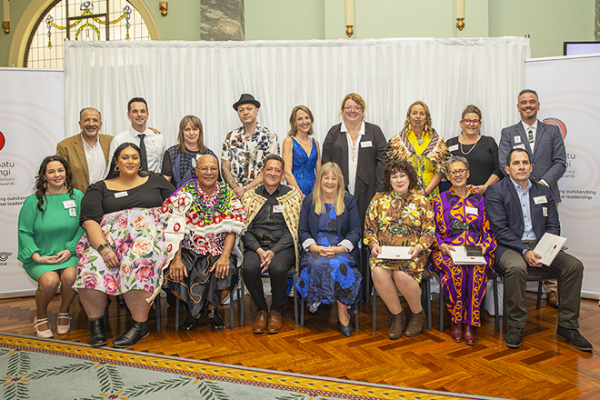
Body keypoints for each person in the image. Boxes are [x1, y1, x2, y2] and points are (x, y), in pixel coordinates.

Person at [486, 149, 592, 352]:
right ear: (508, 169)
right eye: (516, 163)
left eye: (525, 162)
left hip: (540, 245)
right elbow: (499, 229)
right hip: (509, 246)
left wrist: (547, 250)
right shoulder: (496, 191)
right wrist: (523, 251)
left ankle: (568, 326)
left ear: (531, 167)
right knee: (516, 268)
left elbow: (554, 225)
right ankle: (516, 325)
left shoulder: (544, 191)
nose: (521, 166)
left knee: (574, 266)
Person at [74, 143, 175, 348]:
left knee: (136, 262)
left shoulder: (155, 180)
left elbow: (177, 206)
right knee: (91, 265)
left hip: (149, 238)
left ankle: (140, 325)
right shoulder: (99, 187)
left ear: (140, 161)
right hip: (108, 240)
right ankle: (95, 325)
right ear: (116, 162)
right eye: (125, 157)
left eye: (135, 157)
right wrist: (103, 248)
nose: (131, 161)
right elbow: (89, 220)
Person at [498, 89, 567, 309]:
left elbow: (560, 162)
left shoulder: (552, 131)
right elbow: (503, 162)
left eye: (531, 102)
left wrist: (542, 186)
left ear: (538, 105)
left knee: (547, 237)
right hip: (515, 193)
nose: (527, 106)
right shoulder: (509, 132)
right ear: (517, 107)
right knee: (520, 234)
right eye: (523, 103)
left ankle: (552, 290)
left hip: (545, 193)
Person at [163, 154, 247, 332]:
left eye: (213, 168)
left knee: (228, 270)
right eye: (204, 168)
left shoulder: (227, 193)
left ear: (218, 171)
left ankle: (210, 310)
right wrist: (176, 258)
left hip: (219, 249)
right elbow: (174, 227)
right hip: (188, 249)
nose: (209, 172)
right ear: (196, 171)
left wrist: (225, 257)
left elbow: (233, 228)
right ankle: (196, 311)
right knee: (173, 272)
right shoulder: (184, 194)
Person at [364, 160, 435, 339]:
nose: (399, 180)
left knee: (401, 275)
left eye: (402, 175)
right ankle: (397, 315)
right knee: (379, 273)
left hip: (413, 253)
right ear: (389, 180)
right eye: (394, 176)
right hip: (384, 252)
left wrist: (419, 247)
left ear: (410, 178)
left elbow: (429, 231)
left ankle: (418, 314)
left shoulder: (422, 201)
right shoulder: (378, 200)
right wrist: (373, 245)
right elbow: (369, 229)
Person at [430, 156, 496, 345]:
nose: (458, 174)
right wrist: (440, 244)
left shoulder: (480, 199)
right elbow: (430, 230)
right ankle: (456, 320)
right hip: (447, 251)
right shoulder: (438, 200)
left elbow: (488, 229)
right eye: (453, 172)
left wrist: (485, 245)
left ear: (468, 173)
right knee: (455, 270)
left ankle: (471, 322)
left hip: (475, 251)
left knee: (476, 270)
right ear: (448, 177)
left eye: (461, 171)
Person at [17, 156, 84, 338]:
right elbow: (24, 232)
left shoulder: (77, 196)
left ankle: (64, 313)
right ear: (44, 176)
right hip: (41, 256)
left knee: (70, 278)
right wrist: (36, 256)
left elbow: (82, 225)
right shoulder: (33, 202)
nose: (57, 175)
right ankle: (41, 316)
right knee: (50, 282)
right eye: (51, 171)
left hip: (68, 253)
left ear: (66, 173)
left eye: (60, 170)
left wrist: (70, 249)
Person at [295, 162, 362, 336]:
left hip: (341, 248)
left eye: (334, 178)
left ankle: (342, 313)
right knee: (315, 265)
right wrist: (315, 248)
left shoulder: (348, 200)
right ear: (320, 179)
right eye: (326, 177)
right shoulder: (309, 200)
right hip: (315, 247)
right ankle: (316, 297)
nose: (330, 182)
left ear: (339, 181)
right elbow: (302, 230)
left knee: (339, 265)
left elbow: (356, 230)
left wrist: (340, 249)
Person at [241, 154, 302, 334]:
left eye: (277, 170)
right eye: (269, 169)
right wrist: (260, 250)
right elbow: (244, 230)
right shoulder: (249, 197)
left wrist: (273, 251)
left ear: (283, 174)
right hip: (256, 245)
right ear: (262, 171)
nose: (273, 173)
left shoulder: (293, 196)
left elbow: (295, 229)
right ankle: (261, 309)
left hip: (282, 246)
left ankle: (275, 310)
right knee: (249, 267)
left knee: (277, 268)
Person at [321, 93, 387, 226]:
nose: (352, 111)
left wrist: (380, 189)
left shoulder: (374, 131)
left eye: (357, 107)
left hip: (369, 189)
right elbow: (326, 161)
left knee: (367, 224)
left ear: (362, 111)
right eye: (348, 107)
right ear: (342, 111)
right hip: (339, 188)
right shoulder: (334, 132)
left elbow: (383, 161)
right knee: (341, 223)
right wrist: (329, 186)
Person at [386, 101, 450, 200]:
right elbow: (391, 169)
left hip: (431, 191)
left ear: (427, 118)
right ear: (409, 117)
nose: (418, 116)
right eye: (414, 113)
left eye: (422, 114)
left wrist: (426, 191)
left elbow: (441, 169)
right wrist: (410, 189)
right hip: (404, 191)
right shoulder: (397, 141)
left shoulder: (438, 141)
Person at [221, 94, 279, 199]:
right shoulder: (231, 137)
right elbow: (225, 167)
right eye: (241, 110)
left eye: (249, 109)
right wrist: (237, 191)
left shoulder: (269, 136)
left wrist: (246, 189)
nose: (245, 112)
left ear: (256, 111)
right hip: (235, 195)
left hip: (262, 195)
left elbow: (271, 169)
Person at [445, 105, 501, 195]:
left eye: (475, 121)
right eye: (467, 121)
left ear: (480, 124)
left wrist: (486, 187)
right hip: (457, 197)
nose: (471, 124)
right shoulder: (450, 143)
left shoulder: (489, 142)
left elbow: (498, 170)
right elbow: (445, 171)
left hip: (486, 195)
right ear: (461, 123)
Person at [56, 108, 113, 193]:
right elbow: (60, 174)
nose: (91, 124)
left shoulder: (111, 142)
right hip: (78, 199)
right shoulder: (65, 146)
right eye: (86, 120)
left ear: (100, 125)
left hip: (107, 197)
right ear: (80, 124)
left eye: (95, 120)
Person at [109, 97, 166, 173]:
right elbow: (113, 169)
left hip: (154, 182)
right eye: (135, 111)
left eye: (142, 111)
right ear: (129, 115)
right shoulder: (119, 140)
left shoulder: (158, 137)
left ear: (147, 115)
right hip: (129, 183)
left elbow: (164, 165)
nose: (139, 115)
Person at [162, 115, 216, 189]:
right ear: (182, 132)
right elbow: (165, 183)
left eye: (195, 129)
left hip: (204, 199)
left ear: (200, 131)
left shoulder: (209, 155)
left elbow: (216, 182)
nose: (191, 133)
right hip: (178, 198)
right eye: (187, 129)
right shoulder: (171, 153)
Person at [282, 105, 321, 195]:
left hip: (314, 193)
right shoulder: (289, 141)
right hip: (295, 193)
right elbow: (287, 171)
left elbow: (319, 171)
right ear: (294, 122)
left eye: (307, 118)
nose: (304, 122)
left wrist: (318, 192)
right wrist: (299, 194)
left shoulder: (316, 143)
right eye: (300, 119)